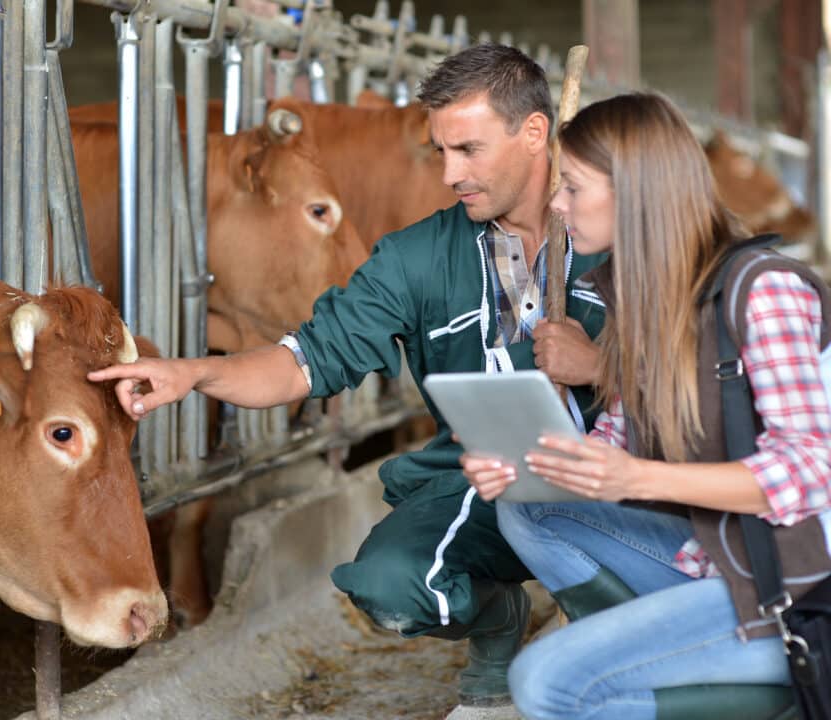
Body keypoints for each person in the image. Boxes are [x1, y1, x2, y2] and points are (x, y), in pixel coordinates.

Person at [89, 44, 609, 709]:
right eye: (439, 152)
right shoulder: (417, 255)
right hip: (484, 479)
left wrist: (598, 366)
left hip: (617, 472)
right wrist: (193, 374)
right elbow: (304, 360)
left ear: (535, 133)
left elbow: (697, 369)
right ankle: (497, 618)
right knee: (388, 587)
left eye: (469, 150)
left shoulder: (613, 229)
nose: (450, 174)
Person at [461, 92, 831, 720]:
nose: (555, 204)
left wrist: (638, 477)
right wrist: (529, 462)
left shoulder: (762, 290)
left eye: (572, 187)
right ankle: (643, 657)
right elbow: (615, 440)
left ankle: (641, 669)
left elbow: (808, 472)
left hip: (798, 589)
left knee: (545, 681)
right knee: (530, 510)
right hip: (719, 556)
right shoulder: (644, 299)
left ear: (634, 192)